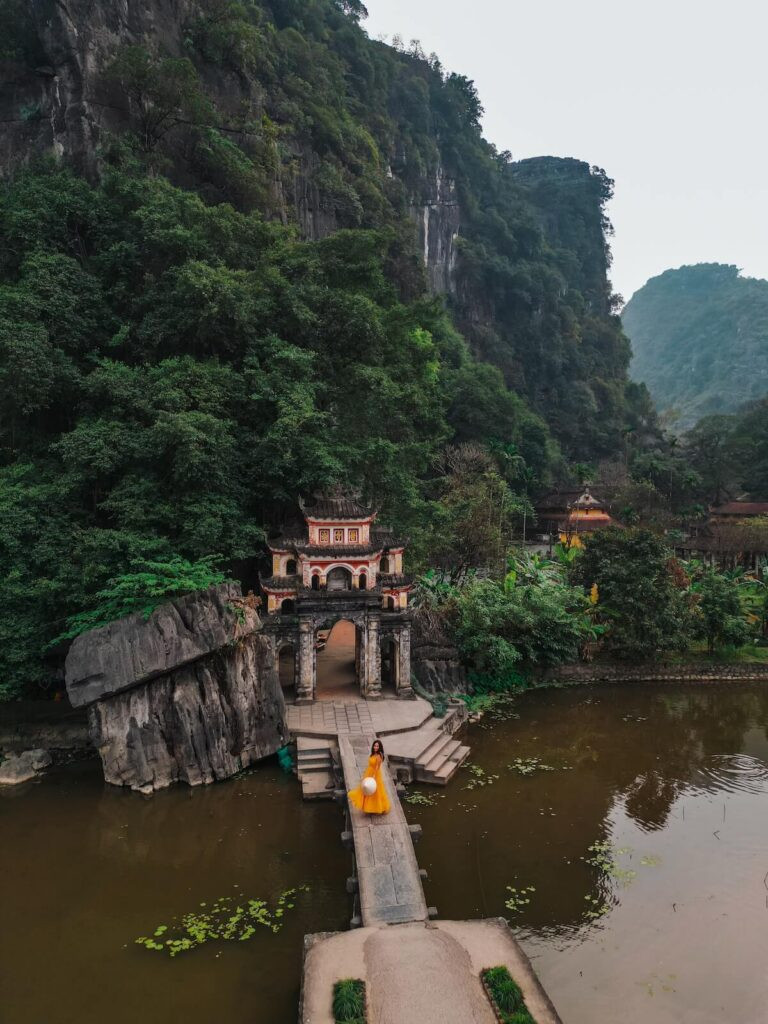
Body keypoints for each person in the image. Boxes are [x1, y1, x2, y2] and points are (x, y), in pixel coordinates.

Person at [347, 739, 391, 815]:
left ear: (380, 747)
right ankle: (368, 807)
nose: (375, 747)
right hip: (369, 772)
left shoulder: (379, 756)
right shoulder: (373, 754)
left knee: (375, 791)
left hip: (375, 774)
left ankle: (377, 808)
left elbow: (377, 768)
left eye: (377, 746)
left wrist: (373, 777)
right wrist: (366, 774)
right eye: (375, 746)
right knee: (366, 789)